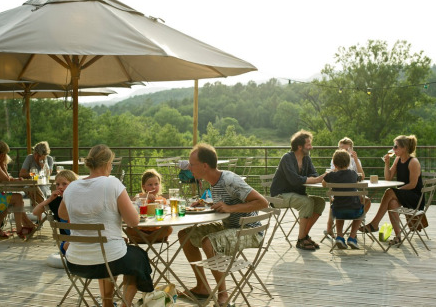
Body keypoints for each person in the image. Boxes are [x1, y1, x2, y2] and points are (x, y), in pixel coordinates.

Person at [58, 144, 153, 307]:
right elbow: (133, 221)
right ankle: (125, 304)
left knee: (111, 250)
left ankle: (107, 304)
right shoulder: (112, 184)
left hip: (75, 262)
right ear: (108, 163)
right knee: (137, 257)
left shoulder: (72, 187)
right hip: (107, 261)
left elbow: (63, 214)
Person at [178, 143, 268, 305]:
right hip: (230, 227)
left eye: (192, 164)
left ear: (205, 166)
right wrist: (205, 203)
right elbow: (225, 202)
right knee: (184, 235)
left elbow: (262, 202)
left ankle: (223, 294)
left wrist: (230, 208)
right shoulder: (213, 181)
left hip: (250, 230)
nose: (189, 168)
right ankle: (202, 287)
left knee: (208, 242)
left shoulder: (229, 180)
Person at [360, 135, 423, 246]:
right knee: (392, 202)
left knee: (390, 192)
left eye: (395, 147)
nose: (393, 149)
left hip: (415, 197)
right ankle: (398, 237)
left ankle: (374, 224)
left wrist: (397, 192)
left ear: (404, 148)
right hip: (404, 194)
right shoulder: (398, 159)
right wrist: (387, 163)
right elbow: (388, 178)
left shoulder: (413, 162)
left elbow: (413, 185)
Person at [270, 130, 326, 251]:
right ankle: (301, 240)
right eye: (308, 144)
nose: (311, 147)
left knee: (320, 202)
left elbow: (314, 174)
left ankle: (304, 236)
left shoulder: (307, 159)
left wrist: (317, 178)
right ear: (299, 146)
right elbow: (294, 180)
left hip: (296, 195)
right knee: (306, 202)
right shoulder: (287, 158)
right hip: (279, 196)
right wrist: (315, 179)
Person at [324, 137, 370, 238]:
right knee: (338, 199)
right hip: (343, 195)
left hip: (348, 196)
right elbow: (360, 177)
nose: (343, 151)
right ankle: (334, 229)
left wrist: (356, 160)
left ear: (351, 150)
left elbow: (362, 175)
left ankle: (349, 231)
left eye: (346, 149)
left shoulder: (354, 160)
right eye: (341, 149)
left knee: (364, 201)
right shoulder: (336, 160)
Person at [322, 150, 364, 249]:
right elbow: (359, 180)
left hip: (337, 211)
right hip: (354, 211)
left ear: (334, 164)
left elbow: (324, 184)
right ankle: (352, 237)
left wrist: (329, 174)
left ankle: (340, 236)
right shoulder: (353, 174)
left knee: (338, 206)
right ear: (349, 163)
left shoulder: (331, 175)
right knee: (361, 211)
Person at [33, 169, 78, 253]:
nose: (60, 187)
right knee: (68, 245)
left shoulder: (80, 200)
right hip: (67, 242)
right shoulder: (56, 201)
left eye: (64, 184)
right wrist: (49, 199)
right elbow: (35, 212)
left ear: (74, 185)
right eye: (57, 184)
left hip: (83, 238)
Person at [125, 169, 172, 244]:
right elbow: (133, 204)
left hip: (156, 230)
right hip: (140, 230)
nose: (153, 187)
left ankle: (147, 239)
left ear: (159, 185)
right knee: (129, 229)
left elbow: (167, 214)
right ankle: (150, 239)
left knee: (168, 229)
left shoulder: (162, 200)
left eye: (156, 184)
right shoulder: (140, 197)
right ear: (144, 187)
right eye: (150, 185)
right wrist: (145, 197)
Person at [19, 141, 54, 205]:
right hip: (31, 183)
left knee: (40, 190)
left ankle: (38, 207)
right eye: (35, 154)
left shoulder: (49, 159)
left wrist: (43, 164)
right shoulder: (30, 158)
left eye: (39, 155)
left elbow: (48, 174)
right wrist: (33, 174)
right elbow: (21, 174)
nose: (36, 157)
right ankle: (41, 206)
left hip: (44, 184)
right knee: (30, 189)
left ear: (45, 155)